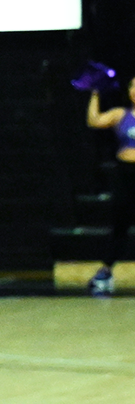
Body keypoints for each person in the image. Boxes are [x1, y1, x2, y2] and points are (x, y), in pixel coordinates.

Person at [85, 74, 135, 296]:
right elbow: (94, 121)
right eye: (133, 85)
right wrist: (95, 94)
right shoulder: (120, 114)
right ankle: (105, 271)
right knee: (120, 226)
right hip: (125, 175)